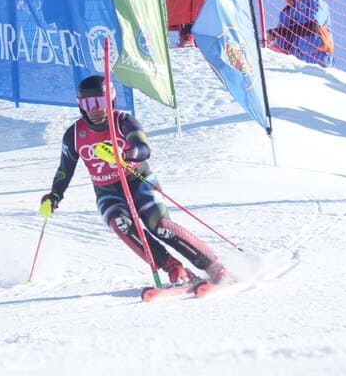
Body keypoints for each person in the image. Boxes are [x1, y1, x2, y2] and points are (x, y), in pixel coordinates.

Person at [38, 75, 230, 285]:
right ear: (81, 106)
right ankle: (174, 268)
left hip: (139, 182)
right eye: (89, 104)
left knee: (161, 226)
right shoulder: (74, 135)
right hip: (108, 192)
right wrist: (54, 195)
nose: (96, 109)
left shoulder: (123, 122)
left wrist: (125, 155)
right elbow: (65, 170)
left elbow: (143, 149)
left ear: (110, 100)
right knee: (121, 225)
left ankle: (214, 267)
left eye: (100, 102)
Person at [265, 0, 333, 67]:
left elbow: (313, 26)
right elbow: (282, 45)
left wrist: (277, 32)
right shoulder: (285, 13)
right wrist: (269, 42)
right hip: (296, 64)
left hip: (319, 59)